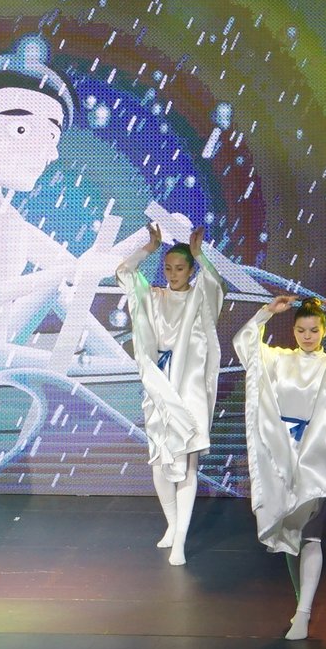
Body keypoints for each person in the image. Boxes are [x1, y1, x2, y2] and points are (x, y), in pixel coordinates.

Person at [0, 40, 150, 377]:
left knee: (60, 291)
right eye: (21, 129)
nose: (45, 152)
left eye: (51, 136)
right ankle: (124, 373)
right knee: (75, 360)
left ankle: (126, 367)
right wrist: (65, 272)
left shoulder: (13, 222)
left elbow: (82, 270)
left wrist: (150, 235)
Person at [234, 294, 326, 639]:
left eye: (314, 330)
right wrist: (265, 313)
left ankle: (303, 613)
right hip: (281, 456)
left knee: (311, 535)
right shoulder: (278, 359)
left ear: (324, 331)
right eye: (301, 330)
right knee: (290, 535)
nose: (307, 336)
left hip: (316, 457)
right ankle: (301, 602)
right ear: (293, 330)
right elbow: (245, 345)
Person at [118, 224, 223, 565]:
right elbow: (124, 272)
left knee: (187, 461)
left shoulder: (198, 297)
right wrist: (149, 248)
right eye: (168, 268)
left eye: (180, 268)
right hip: (159, 386)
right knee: (159, 461)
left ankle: (180, 541)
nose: (173, 274)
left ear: (190, 270)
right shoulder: (155, 297)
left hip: (189, 387)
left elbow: (215, 283)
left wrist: (200, 255)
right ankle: (172, 524)